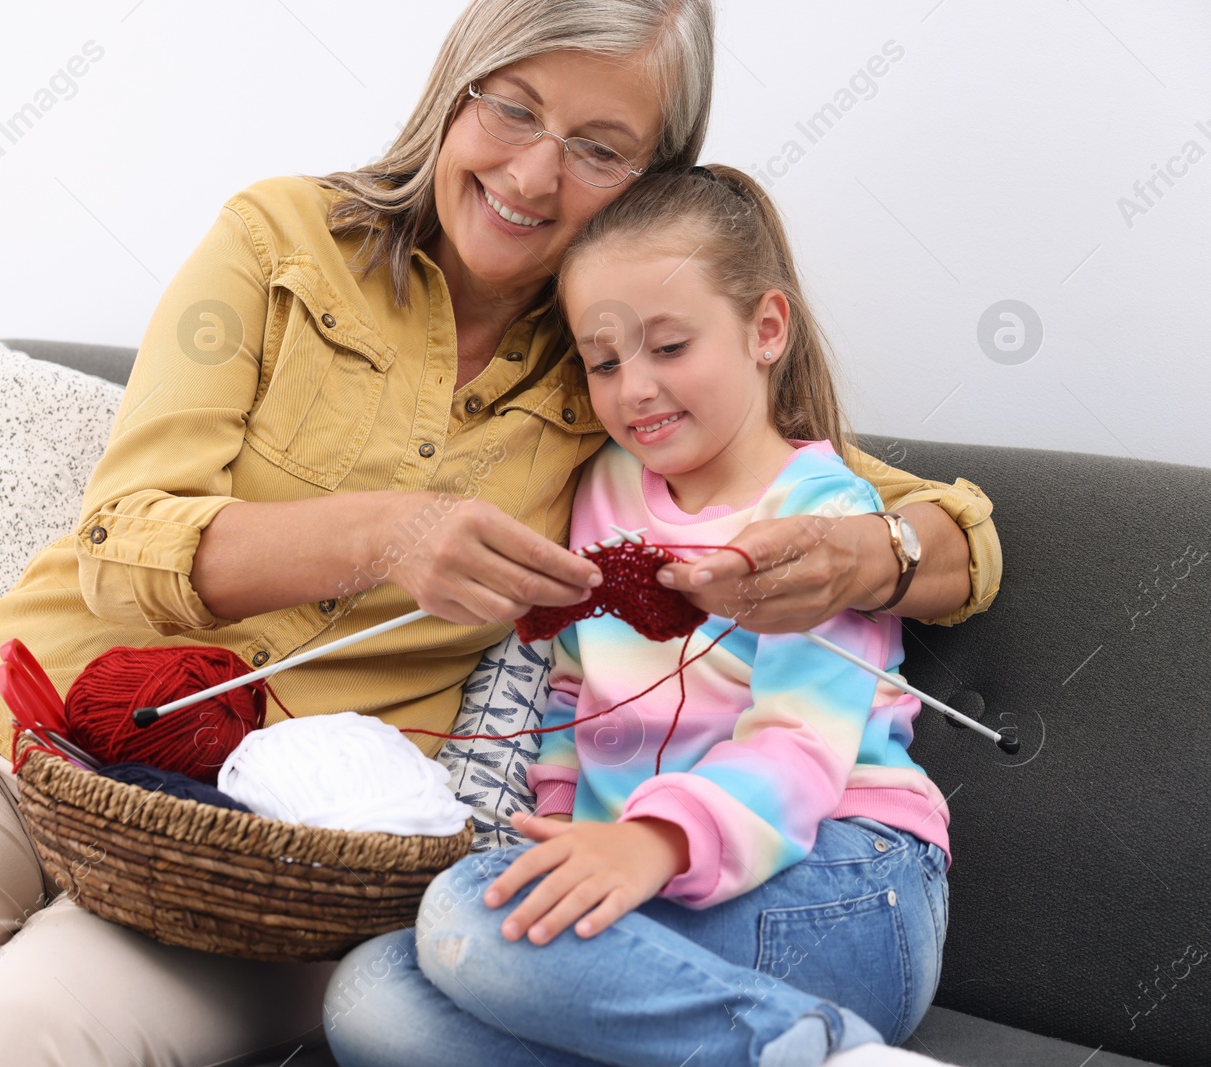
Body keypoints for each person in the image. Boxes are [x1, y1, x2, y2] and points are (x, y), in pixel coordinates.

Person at [0, 2, 996, 1065]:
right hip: (16, 728)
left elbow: (920, 524)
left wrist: (875, 556)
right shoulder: (279, 241)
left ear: (649, 180)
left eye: (600, 147)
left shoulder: (623, 371)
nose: (535, 172)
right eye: (511, 105)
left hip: (283, 849)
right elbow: (121, 537)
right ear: (454, 89)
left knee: (14, 1043)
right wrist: (380, 533)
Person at [322, 164, 954, 1067]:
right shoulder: (606, 488)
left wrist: (650, 842)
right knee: (372, 996)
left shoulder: (819, 521)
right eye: (605, 360)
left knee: (471, 911)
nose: (636, 389)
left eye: (669, 347)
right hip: (653, 890)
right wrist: (561, 837)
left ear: (765, 328)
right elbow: (574, 690)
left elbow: (799, 752)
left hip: (845, 883)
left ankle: (820, 1048)